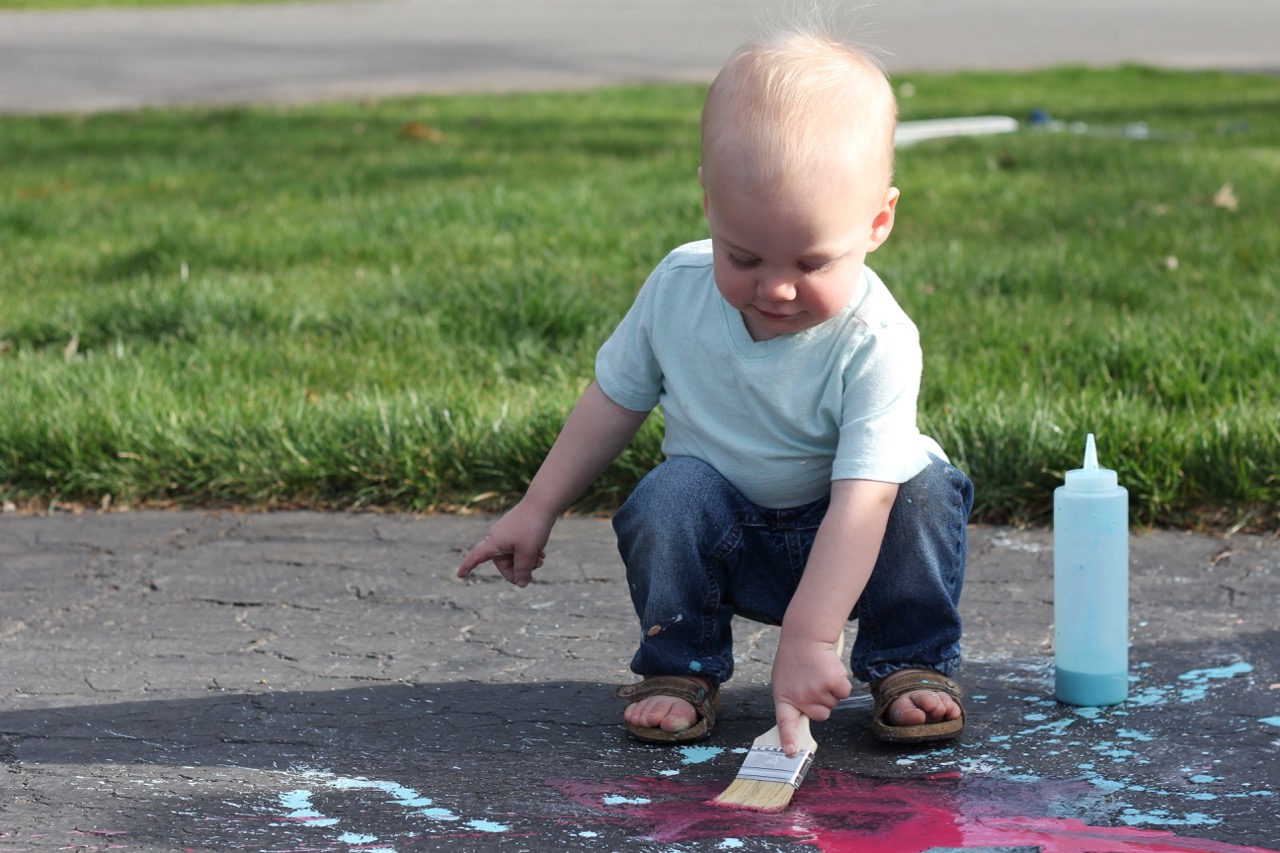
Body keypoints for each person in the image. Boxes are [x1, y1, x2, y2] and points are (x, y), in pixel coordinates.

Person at [457, 26, 974, 756]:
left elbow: (866, 500)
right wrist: (536, 506)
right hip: (730, 535)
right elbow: (614, 398)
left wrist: (809, 634)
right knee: (671, 491)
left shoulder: (877, 337)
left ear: (878, 221)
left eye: (812, 260)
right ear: (709, 202)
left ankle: (910, 659)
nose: (777, 287)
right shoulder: (677, 287)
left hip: (855, 540)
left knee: (921, 483)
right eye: (744, 255)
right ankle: (682, 667)